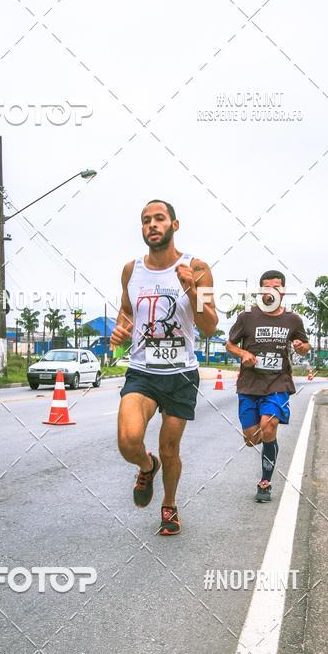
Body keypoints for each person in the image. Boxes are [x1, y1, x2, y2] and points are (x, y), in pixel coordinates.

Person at [110, 199, 217, 535]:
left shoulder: (197, 267)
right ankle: (147, 464)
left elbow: (210, 325)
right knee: (129, 440)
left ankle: (169, 505)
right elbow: (127, 309)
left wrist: (192, 287)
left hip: (181, 373)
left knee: (171, 449)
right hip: (143, 371)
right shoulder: (131, 270)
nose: (152, 225)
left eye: (159, 219)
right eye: (145, 221)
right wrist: (121, 327)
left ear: (174, 224)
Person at [225, 270, 310, 502]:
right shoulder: (247, 317)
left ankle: (265, 482)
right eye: (267, 287)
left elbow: (304, 345)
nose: (272, 291)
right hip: (249, 384)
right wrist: (243, 353)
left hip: (277, 382)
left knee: (269, 425)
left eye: (277, 287)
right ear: (261, 291)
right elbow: (229, 344)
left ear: (283, 290)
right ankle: (266, 442)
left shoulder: (293, 320)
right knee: (252, 438)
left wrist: (302, 347)